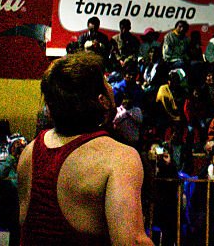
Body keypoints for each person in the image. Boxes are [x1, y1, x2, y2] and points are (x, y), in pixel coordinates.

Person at [17, 51, 153, 246]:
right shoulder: (120, 158)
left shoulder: (30, 152)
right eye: (106, 81)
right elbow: (131, 242)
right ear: (102, 100)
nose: (111, 87)